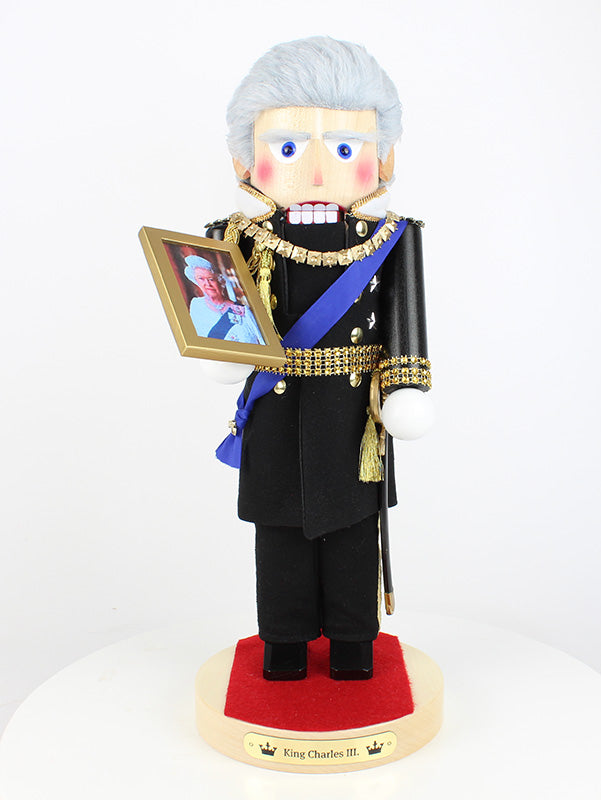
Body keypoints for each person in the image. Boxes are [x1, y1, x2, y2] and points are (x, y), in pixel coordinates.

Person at [205, 36, 433, 680]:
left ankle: (354, 645)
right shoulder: (233, 239)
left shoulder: (391, 239)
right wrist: (225, 349)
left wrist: (406, 386)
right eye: (286, 148)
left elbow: (404, 320)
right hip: (275, 415)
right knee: (278, 533)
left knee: (353, 530)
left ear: (385, 159)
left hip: (353, 417)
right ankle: (283, 644)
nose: (313, 173)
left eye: (343, 149)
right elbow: (224, 332)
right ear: (243, 161)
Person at [184, 255, 264, 344]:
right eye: (201, 279)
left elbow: (262, 343)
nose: (207, 284)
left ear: (220, 281)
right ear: (196, 281)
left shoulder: (243, 311)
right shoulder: (197, 305)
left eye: (211, 279)